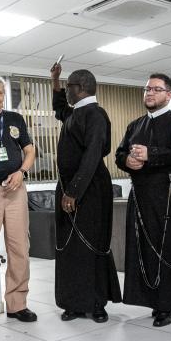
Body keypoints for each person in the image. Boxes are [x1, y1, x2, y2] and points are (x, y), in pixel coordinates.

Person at [115, 74, 171, 327]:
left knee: (167, 248)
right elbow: (119, 153)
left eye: (156, 89)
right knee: (143, 249)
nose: (149, 93)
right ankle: (150, 298)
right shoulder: (135, 125)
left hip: (168, 194)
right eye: (147, 89)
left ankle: (167, 304)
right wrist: (127, 160)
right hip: (141, 194)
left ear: (169, 95)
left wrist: (152, 154)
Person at [50, 64, 122, 322]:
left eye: (68, 87)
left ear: (80, 88)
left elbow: (92, 156)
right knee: (69, 248)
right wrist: (55, 80)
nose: (66, 92)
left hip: (88, 190)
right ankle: (74, 303)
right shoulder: (73, 113)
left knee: (91, 247)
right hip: (70, 188)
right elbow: (59, 107)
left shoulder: (96, 114)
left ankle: (96, 303)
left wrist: (74, 192)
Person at [0, 75, 38, 323]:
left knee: (19, 249)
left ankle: (16, 304)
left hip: (15, 191)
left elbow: (30, 150)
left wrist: (22, 172)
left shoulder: (15, 119)